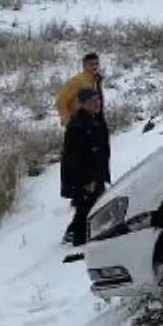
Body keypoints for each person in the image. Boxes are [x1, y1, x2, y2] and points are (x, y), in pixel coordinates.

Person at [60, 87, 111, 246]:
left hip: (96, 174)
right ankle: (77, 242)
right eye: (92, 101)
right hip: (84, 178)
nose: (97, 103)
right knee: (86, 208)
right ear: (83, 104)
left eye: (98, 99)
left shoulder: (95, 119)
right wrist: (87, 180)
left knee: (94, 206)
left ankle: (83, 235)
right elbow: (73, 158)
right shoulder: (78, 125)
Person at [57, 52, 105, 127]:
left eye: (96, 64)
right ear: (84, 66)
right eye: (91, 64)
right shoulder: (78, 80)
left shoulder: (96, 80)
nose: (95, 67)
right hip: (77, 121)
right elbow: (61, 98)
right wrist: (66, 118)